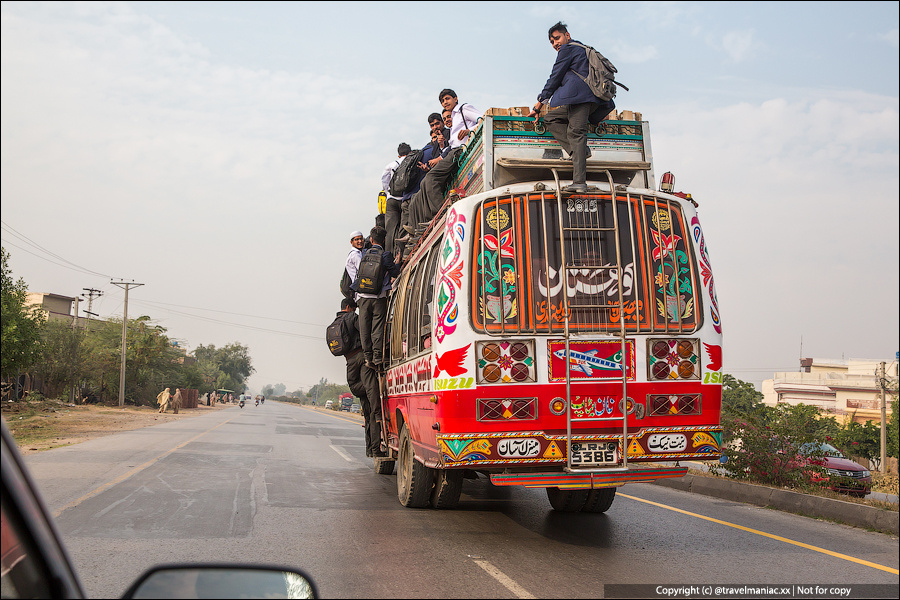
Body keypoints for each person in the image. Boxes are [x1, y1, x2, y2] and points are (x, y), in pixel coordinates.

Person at [528, 21, 616, 193]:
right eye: (552, 42)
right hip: (593, 100)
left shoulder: (568, 50)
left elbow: (555, 77)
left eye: (557, 38)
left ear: (567, 36)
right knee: (551, 118)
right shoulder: (582, 48)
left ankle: (579, 182)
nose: (555, 44)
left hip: (580, 99)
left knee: (576, 134)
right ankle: (580, 152)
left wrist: (539, 103)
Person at [405, 90, 483, 235]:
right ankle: (424, 225)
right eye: (442, 101)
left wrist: (468, 130)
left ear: (455, 98)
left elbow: (483, 119)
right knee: (423, 184)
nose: (445, 102)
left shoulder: (463, 109)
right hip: (451, 151)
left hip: (458, 151)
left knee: (430, 179)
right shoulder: (453, 117)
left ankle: (440, 216)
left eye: (447, 99)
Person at [333, 298, 384, 457]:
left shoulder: (336, 321)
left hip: (349, 362)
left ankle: (370, 449)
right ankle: (378, 419)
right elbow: (364, 332)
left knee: (363, 400)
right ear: (349, 307)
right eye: (354, 308)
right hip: (361, 358)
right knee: (372, 396)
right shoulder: (352, 317)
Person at [348, 226, 401, 368]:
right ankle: (378, 357)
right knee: (377, 328)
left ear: (370, 240)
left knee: (365, 327)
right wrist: (397, 262)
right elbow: (395, 273)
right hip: (379, 297)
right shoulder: (386, 255)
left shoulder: (363, 254)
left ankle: (368, 358)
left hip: (363, 297)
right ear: (383, 240)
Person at [382, 143, 411, 257]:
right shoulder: (411, 162)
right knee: (403, 227)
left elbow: (384, 181)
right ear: (409, 153)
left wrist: (388, 192)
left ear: (399, 155)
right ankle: (401, 253)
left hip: (392, 199)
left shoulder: (391, 165)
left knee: (390, 230)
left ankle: (390, 255)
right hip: (405, 198)